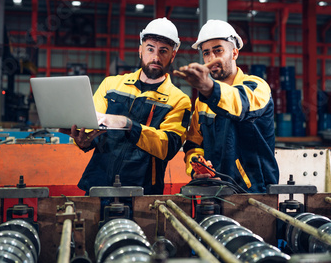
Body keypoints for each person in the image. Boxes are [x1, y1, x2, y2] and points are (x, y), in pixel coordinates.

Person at [60, 17, 191, 195]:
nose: (155, 57)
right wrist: (83, 142)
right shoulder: (111, 85)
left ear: (173, 55)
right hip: (98, 185)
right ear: (140, 50)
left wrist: (128, 125)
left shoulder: (178, 100)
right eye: (150, 49)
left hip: (143, 192)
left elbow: (167, 147)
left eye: (163, 51)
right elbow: (91, 126)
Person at [174, 19, 279, 193]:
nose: (212, 58)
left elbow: (239, 104)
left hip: (255, 193)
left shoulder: (257, 86)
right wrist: (197, 168)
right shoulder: (202, 102)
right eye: (206, 53)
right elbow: (194, 143)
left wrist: (208, 87)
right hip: (213, 191)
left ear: (234, 53)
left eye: (218, 50)